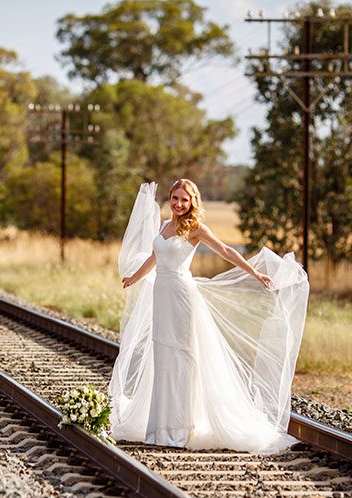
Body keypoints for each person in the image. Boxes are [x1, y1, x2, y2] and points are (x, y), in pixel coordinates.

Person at [108, 179, 309, 454]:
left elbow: (226, 251)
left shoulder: (195, 229)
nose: (179, 204)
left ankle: (178, 429)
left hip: (181, 296)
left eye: (184, 200)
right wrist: (134, 277)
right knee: (163, 358)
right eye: (175, 198)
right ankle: (159, 427)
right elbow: (154, 258)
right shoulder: (164, 227)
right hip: (161, 296)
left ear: (192, 202)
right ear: (170, 199)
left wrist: (255, 272)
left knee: (181, 358)